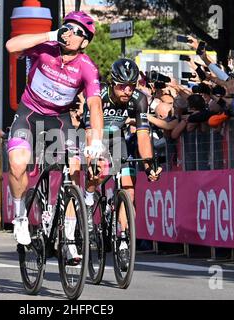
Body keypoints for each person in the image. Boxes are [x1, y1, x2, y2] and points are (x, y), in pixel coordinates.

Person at [5, 11, 104, 263]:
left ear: (85, 42)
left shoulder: (87, 68)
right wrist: (51, 34)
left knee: (74, 168)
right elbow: (11, 46)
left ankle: (69, 239)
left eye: (78, 32)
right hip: (28, 114)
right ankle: (20, 217)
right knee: (18, 164)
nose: (71, 34)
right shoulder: (47, 47)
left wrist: (96, 141)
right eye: (67, 27)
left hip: (58, 120)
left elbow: (94, 106)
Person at [83, 58, 162, 270]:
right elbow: (90, 133)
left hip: (117, 140)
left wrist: (148, 166)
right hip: (94, 137)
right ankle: (88, 202)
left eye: (131, 85)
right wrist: (92, 160)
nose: (127, 90)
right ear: (112, 83)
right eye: (121, 85)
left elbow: (144, 135)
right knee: (96, 172)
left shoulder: (139, 99)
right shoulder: (97, 96)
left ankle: (124, 239)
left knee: (129, 189)